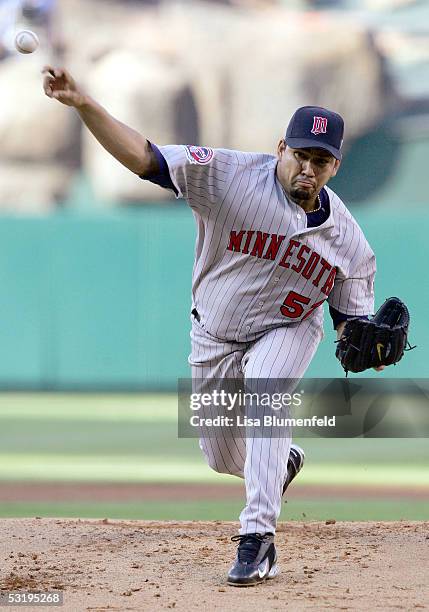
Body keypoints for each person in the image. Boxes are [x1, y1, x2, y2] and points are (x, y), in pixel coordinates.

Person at [42, 66, 384, 587]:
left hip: (288, 329)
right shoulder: (228, 176)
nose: (306, 170)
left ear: (335, 165)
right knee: (222, 455)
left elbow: (351, 326)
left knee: (267, 390)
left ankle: (257, 540)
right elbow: (146, 158)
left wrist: (363, 342)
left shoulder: (351, 245)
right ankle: (279, 459)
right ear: (280, 149)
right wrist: (85, 104)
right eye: (299, 155)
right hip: (214, 334)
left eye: (320, 161)